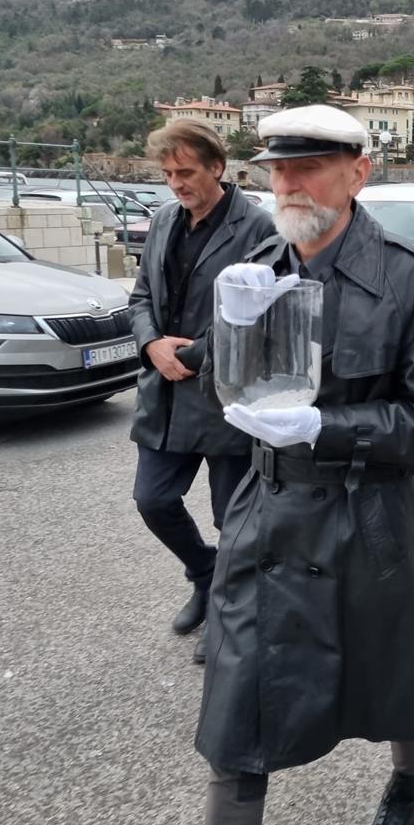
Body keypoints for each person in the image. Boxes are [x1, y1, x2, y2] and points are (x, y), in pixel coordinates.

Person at [190, 105, 414, 825]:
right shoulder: (254, 270)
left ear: (358, 172)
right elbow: (221, 390)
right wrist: (225, 341)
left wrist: (325, 426)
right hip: (266, 514)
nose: (289, 184)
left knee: (393, 674)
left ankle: (407, 785)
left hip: (365, 517)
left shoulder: (411, 283)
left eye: (309, 166)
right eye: (278, 168)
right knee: (238, 711)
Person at [128, 119, 274, 665]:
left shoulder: (257, 227)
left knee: (231, 520)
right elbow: (140, 297)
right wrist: (151, 345)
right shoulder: (163, 220)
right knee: (153, 500)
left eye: (185, 172)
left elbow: (260, 316)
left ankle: (229, 613)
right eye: (167, 174)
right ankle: (204, 573)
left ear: (217, 166)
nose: (176, 183)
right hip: (164, 395)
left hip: (224, 397)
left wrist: (189, 355)